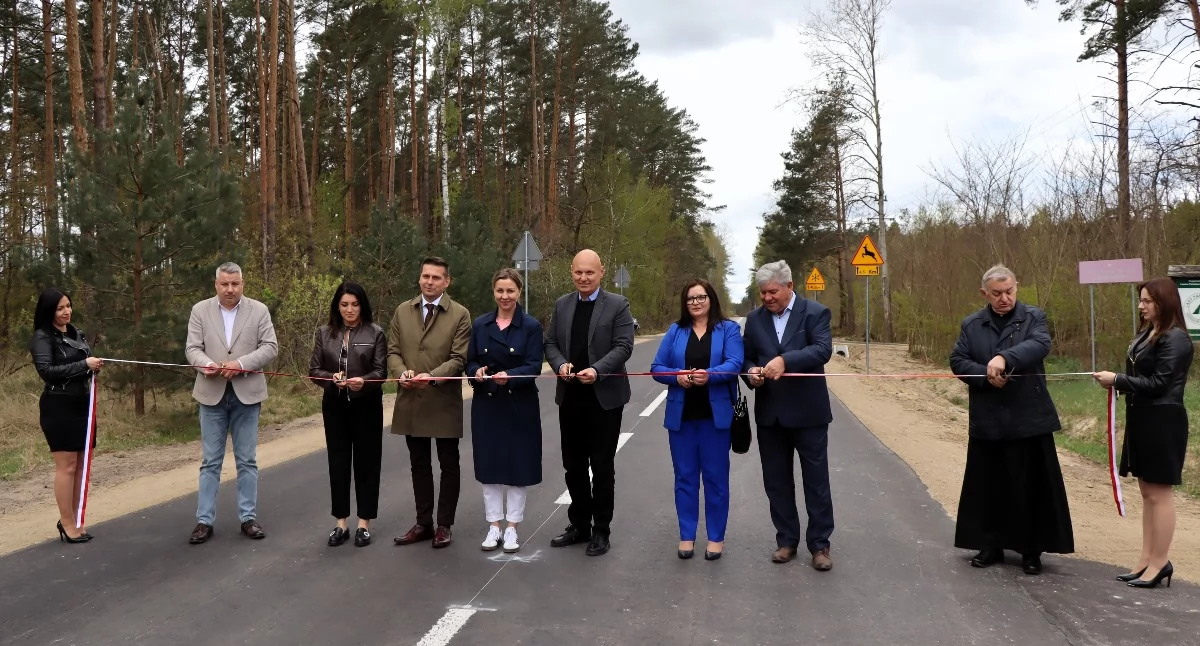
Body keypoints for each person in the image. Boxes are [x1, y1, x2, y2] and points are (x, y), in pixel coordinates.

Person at [950, 264, 1073, 575]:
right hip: (989, 419)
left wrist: (1004, 358)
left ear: (1017, 286)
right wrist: (984, 374)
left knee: (1030, 486)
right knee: (988, 486)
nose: (1004, 298)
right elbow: (958, 360)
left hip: (1028, 417)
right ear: (985, 294)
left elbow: (1040, 345)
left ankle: (1031, 550)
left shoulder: (1033, 317)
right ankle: (989, 545)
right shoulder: (971, 324)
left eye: (1009, 291)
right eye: (997, 293)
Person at [1093, 277, 1193, 589]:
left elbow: (1160, 383)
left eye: (1147, 300)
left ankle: (1160, 562)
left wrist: (1117, 380)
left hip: (1164, 421)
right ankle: (1146, 559)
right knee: (1147, 493)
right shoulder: (1148, 333)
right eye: (1141, 300)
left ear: (1164, 302)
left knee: (1160, 494)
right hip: (1142, 419)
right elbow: (1140, 375)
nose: (1141, 306)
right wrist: (1118, 382)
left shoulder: (1176, 339)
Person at [741, 260, 836, 571]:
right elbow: (746, 358)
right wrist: (751, 373)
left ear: (790, 286)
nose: (767, 298)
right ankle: (786, 541)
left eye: (772, 292)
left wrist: (785, 360)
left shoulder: (815, 313)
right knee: (776, 482)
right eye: (763, 293)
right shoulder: (754, 320)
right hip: (771, 416)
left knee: (816, 482)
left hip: (809, 414)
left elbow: (822, 350)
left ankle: (820, 545)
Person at [544, 249, 634, 556]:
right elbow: (550, 343)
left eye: (589, 272)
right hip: (570, 397)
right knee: (573, 466)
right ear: (572, 272)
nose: (584, 278)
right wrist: (560, 365)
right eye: (579, 272)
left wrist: (597, 370)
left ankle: (601, 530)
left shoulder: (618, 305)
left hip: (604, 399)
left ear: (601, 272)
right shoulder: (562, 304)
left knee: (602, 466)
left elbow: (624, 346)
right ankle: (580, 525)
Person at [185, 262, 279, 545]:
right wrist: (206, 364)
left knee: (246, 459)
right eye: (224, 284)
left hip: (246, 394)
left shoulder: (259, 310)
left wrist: (240, 364)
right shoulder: (200, 310)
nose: (230, 289)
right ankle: (204, 521)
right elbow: (192, 348)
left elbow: (270, 347)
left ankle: (248, 518)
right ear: (216, 284)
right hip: (211, 393)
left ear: (242, 284)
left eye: (235, 284)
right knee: (210, 461)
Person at [651, 279, 744, 561]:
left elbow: (735, 363)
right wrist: (676, 376)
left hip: (716, 418)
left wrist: (709, 375)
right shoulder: (675, 331)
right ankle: (687, 536)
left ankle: (716, 538)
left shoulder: (728, 329)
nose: (695, 302)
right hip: (682, 418)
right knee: (685, 479)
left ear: (711, 299)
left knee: (716, 480)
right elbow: (657, 367)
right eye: (690, 298)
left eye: (701, 297)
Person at [388, 257, 472, 549]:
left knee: (449, 464)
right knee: (418, 465)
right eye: (426, 276)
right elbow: (392, 351)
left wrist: (433, 377)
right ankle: (423, 523)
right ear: (419, 278)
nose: (429, 282)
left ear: (447, 281)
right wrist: (401, 373)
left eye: (436, 277)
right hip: (411, 400)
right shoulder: (402, 311)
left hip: (443, 401)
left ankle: (444, 525)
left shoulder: (460, 314)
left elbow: (459, 358)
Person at [465, 269, 545, 553]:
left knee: (517, 466)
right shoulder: (480, 324)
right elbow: (470, 362)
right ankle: (494, 525)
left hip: (519, 405)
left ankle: (512, 528)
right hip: (487, 404)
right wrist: (477, 372)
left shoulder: (531, 326)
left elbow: (534, 365)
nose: (505, 296)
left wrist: (510, 376)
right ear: (493, 292)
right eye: (500, 290)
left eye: (510, 290)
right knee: (490, 467)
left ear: (519, 292)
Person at [309, 281, 387, 548]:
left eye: (355, 304)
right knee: (338, 463)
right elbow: (314, 370)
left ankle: (364, 523)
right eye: (344, 305)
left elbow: (381, 372)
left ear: (362, 306)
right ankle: (340, 522)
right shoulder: (324, 333)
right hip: (335, 405)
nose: (350, 310)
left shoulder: (375, 333)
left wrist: (363, 381)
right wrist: (331, 379)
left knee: (367, 464)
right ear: (337, 306)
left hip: (367, 406)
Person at [29, 288, 103, 544]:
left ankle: (77, 520)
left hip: (83, 404)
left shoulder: (76, 333)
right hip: (59, 406)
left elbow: (84, 364)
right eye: (60, 308)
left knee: (81, 466)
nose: (66, 311)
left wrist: (93, 368)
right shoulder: (42, 337)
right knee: (67, 466)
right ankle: (67, 523)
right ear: (49, 310)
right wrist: (84, 365)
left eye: (68, 306)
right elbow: (47, 371)